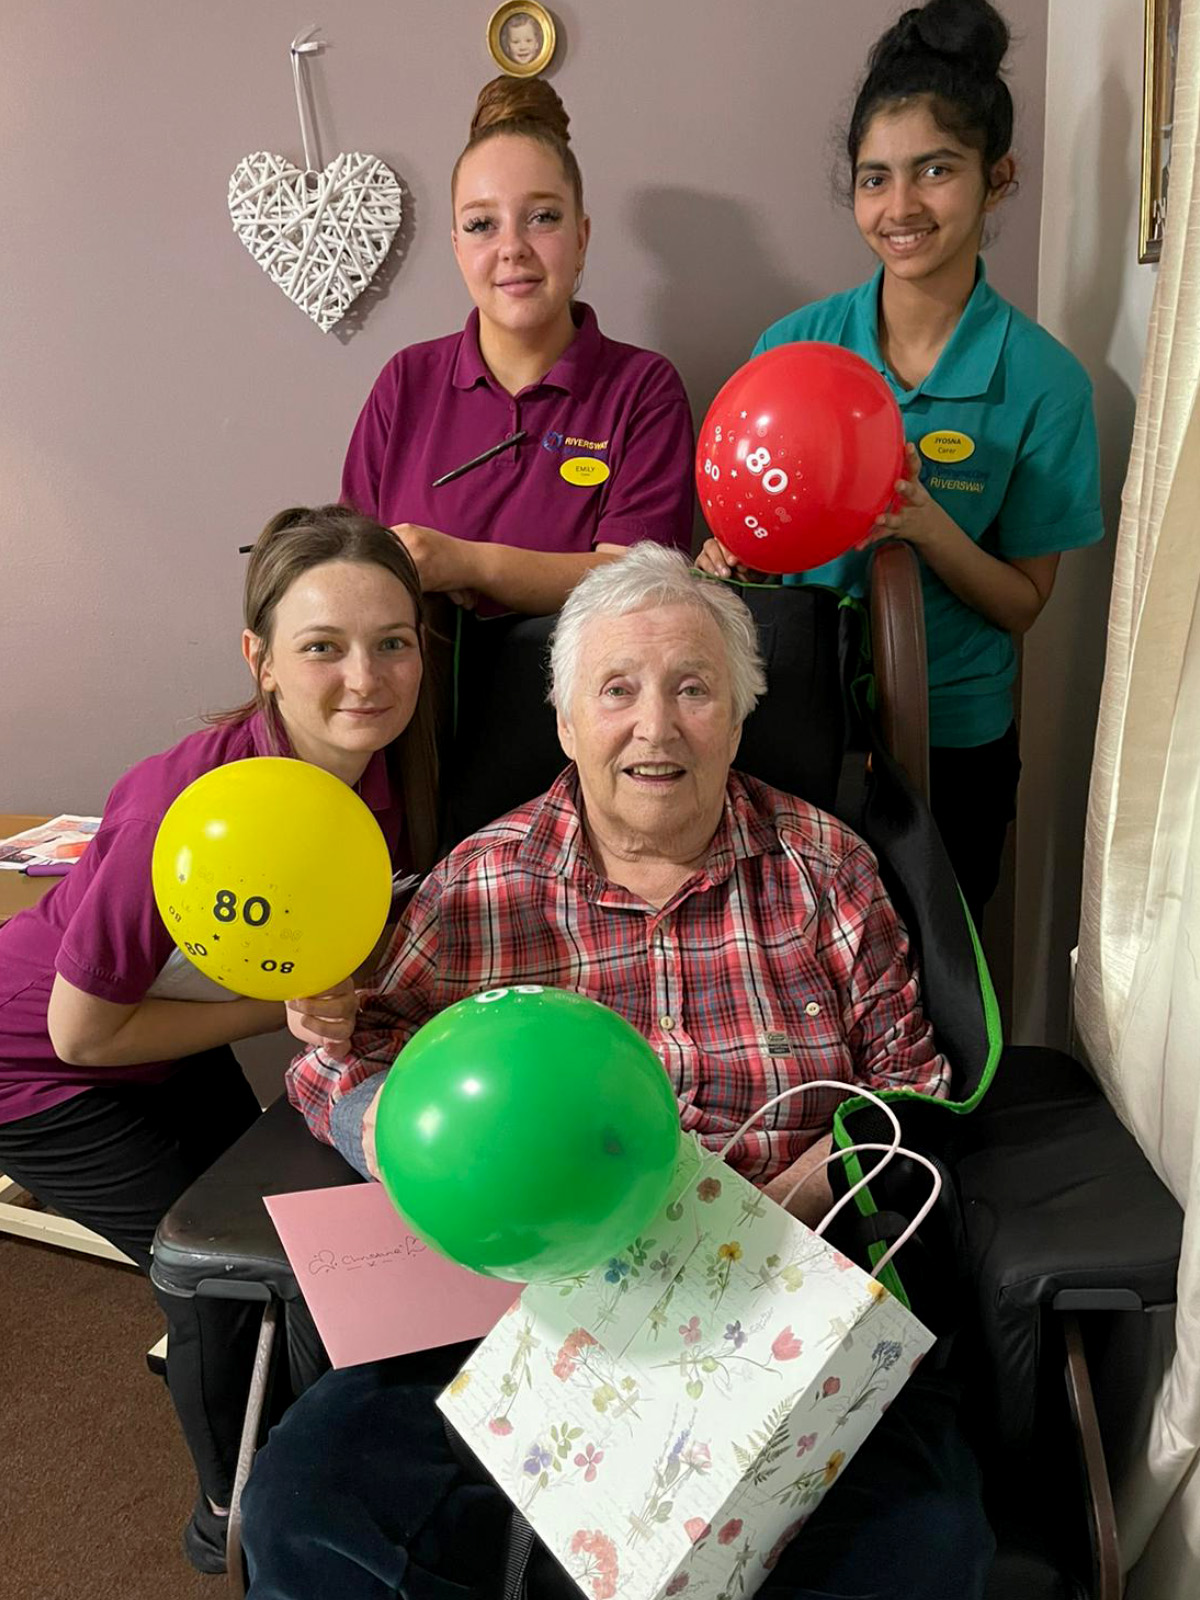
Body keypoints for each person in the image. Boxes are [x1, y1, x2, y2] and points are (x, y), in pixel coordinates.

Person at [239, 545, 993, 1600]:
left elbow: (912, 1086)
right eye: (617, 690)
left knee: (920, 1545)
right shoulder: (481, 880)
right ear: (564, 722)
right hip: (520, 1302)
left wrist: (816, 1183)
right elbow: (337, 1068)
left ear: (740, 716)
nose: (655, 726)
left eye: (693, 689)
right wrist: (412, 1148)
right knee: (309, 1504)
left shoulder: (826, 867)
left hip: (767, 1292)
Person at [0, 504, 438, 1573]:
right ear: (262, 660)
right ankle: (223, 1511)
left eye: (392, 642)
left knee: (277, 1242)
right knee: (212, 1275)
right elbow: (78, 1033)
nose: (365, 679)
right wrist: (281, 1009)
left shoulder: (382, 776)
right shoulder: (183, 804)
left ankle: (299, 1447)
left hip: (156, 1039)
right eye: (323, 647)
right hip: (36, 1063)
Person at [698, 0, 1103, 924]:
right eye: (875, 178)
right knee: (791, 960)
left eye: (936, 170)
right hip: (791, 721)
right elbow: (757, 535)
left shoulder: (1046, 382)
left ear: (998, 178)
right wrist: (729, 562)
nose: (901, 207)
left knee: (937, 969)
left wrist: (924, 522)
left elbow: (1022, 604)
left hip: (953, 743)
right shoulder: (792, 349)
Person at [341, 76, 695, 619]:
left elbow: (639, 586)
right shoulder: (405, 381)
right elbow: (352, 574)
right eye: (482, 224)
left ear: (582, 238)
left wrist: (469, 564)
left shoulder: (644, 389)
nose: (512, 248)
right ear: (457, 249)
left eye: (542, 217)